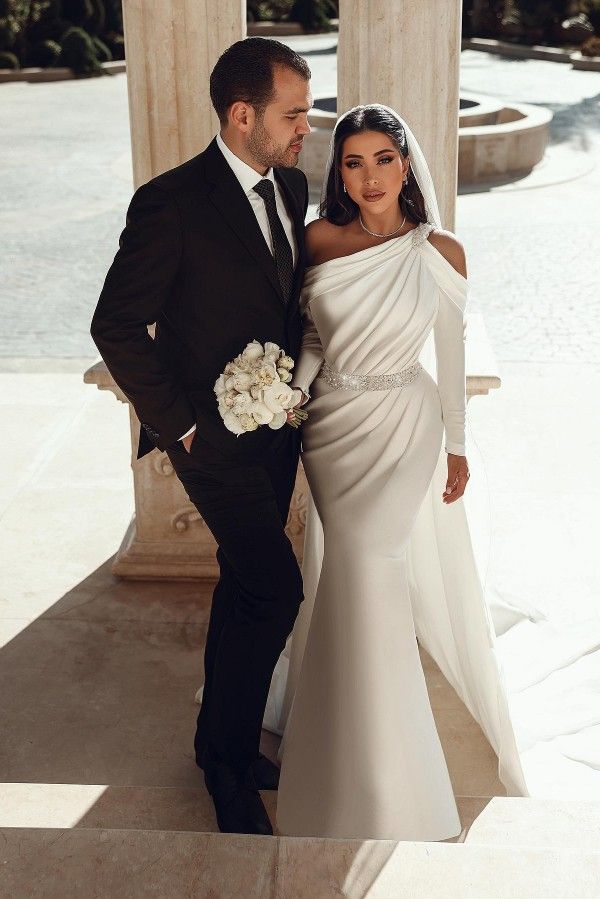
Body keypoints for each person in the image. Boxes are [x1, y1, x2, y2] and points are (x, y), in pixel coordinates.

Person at [90, 38, 313, 835]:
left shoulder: (291, 184)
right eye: (294, 113)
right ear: (241, 113)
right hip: (208, 442)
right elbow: (115, 324)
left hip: (276, 434)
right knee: (275, 586)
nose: (306, 128)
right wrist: (183, 424)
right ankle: (227, 771)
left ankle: (216, 744)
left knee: (243, 588)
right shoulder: (169, 202)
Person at [276, 104, 472, 841]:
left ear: (405, 162)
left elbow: (448, 357)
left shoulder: (441, 251)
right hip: (331, 428)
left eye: (382, 159)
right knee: (349, 573)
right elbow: (313, 335)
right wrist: (290, 395)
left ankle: (389, 771)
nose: (369, 177)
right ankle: (335, 730)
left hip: (404, 425)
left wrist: (457, 444)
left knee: (370, 566)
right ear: (341, 173)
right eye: (353, 163)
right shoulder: (318, 240)